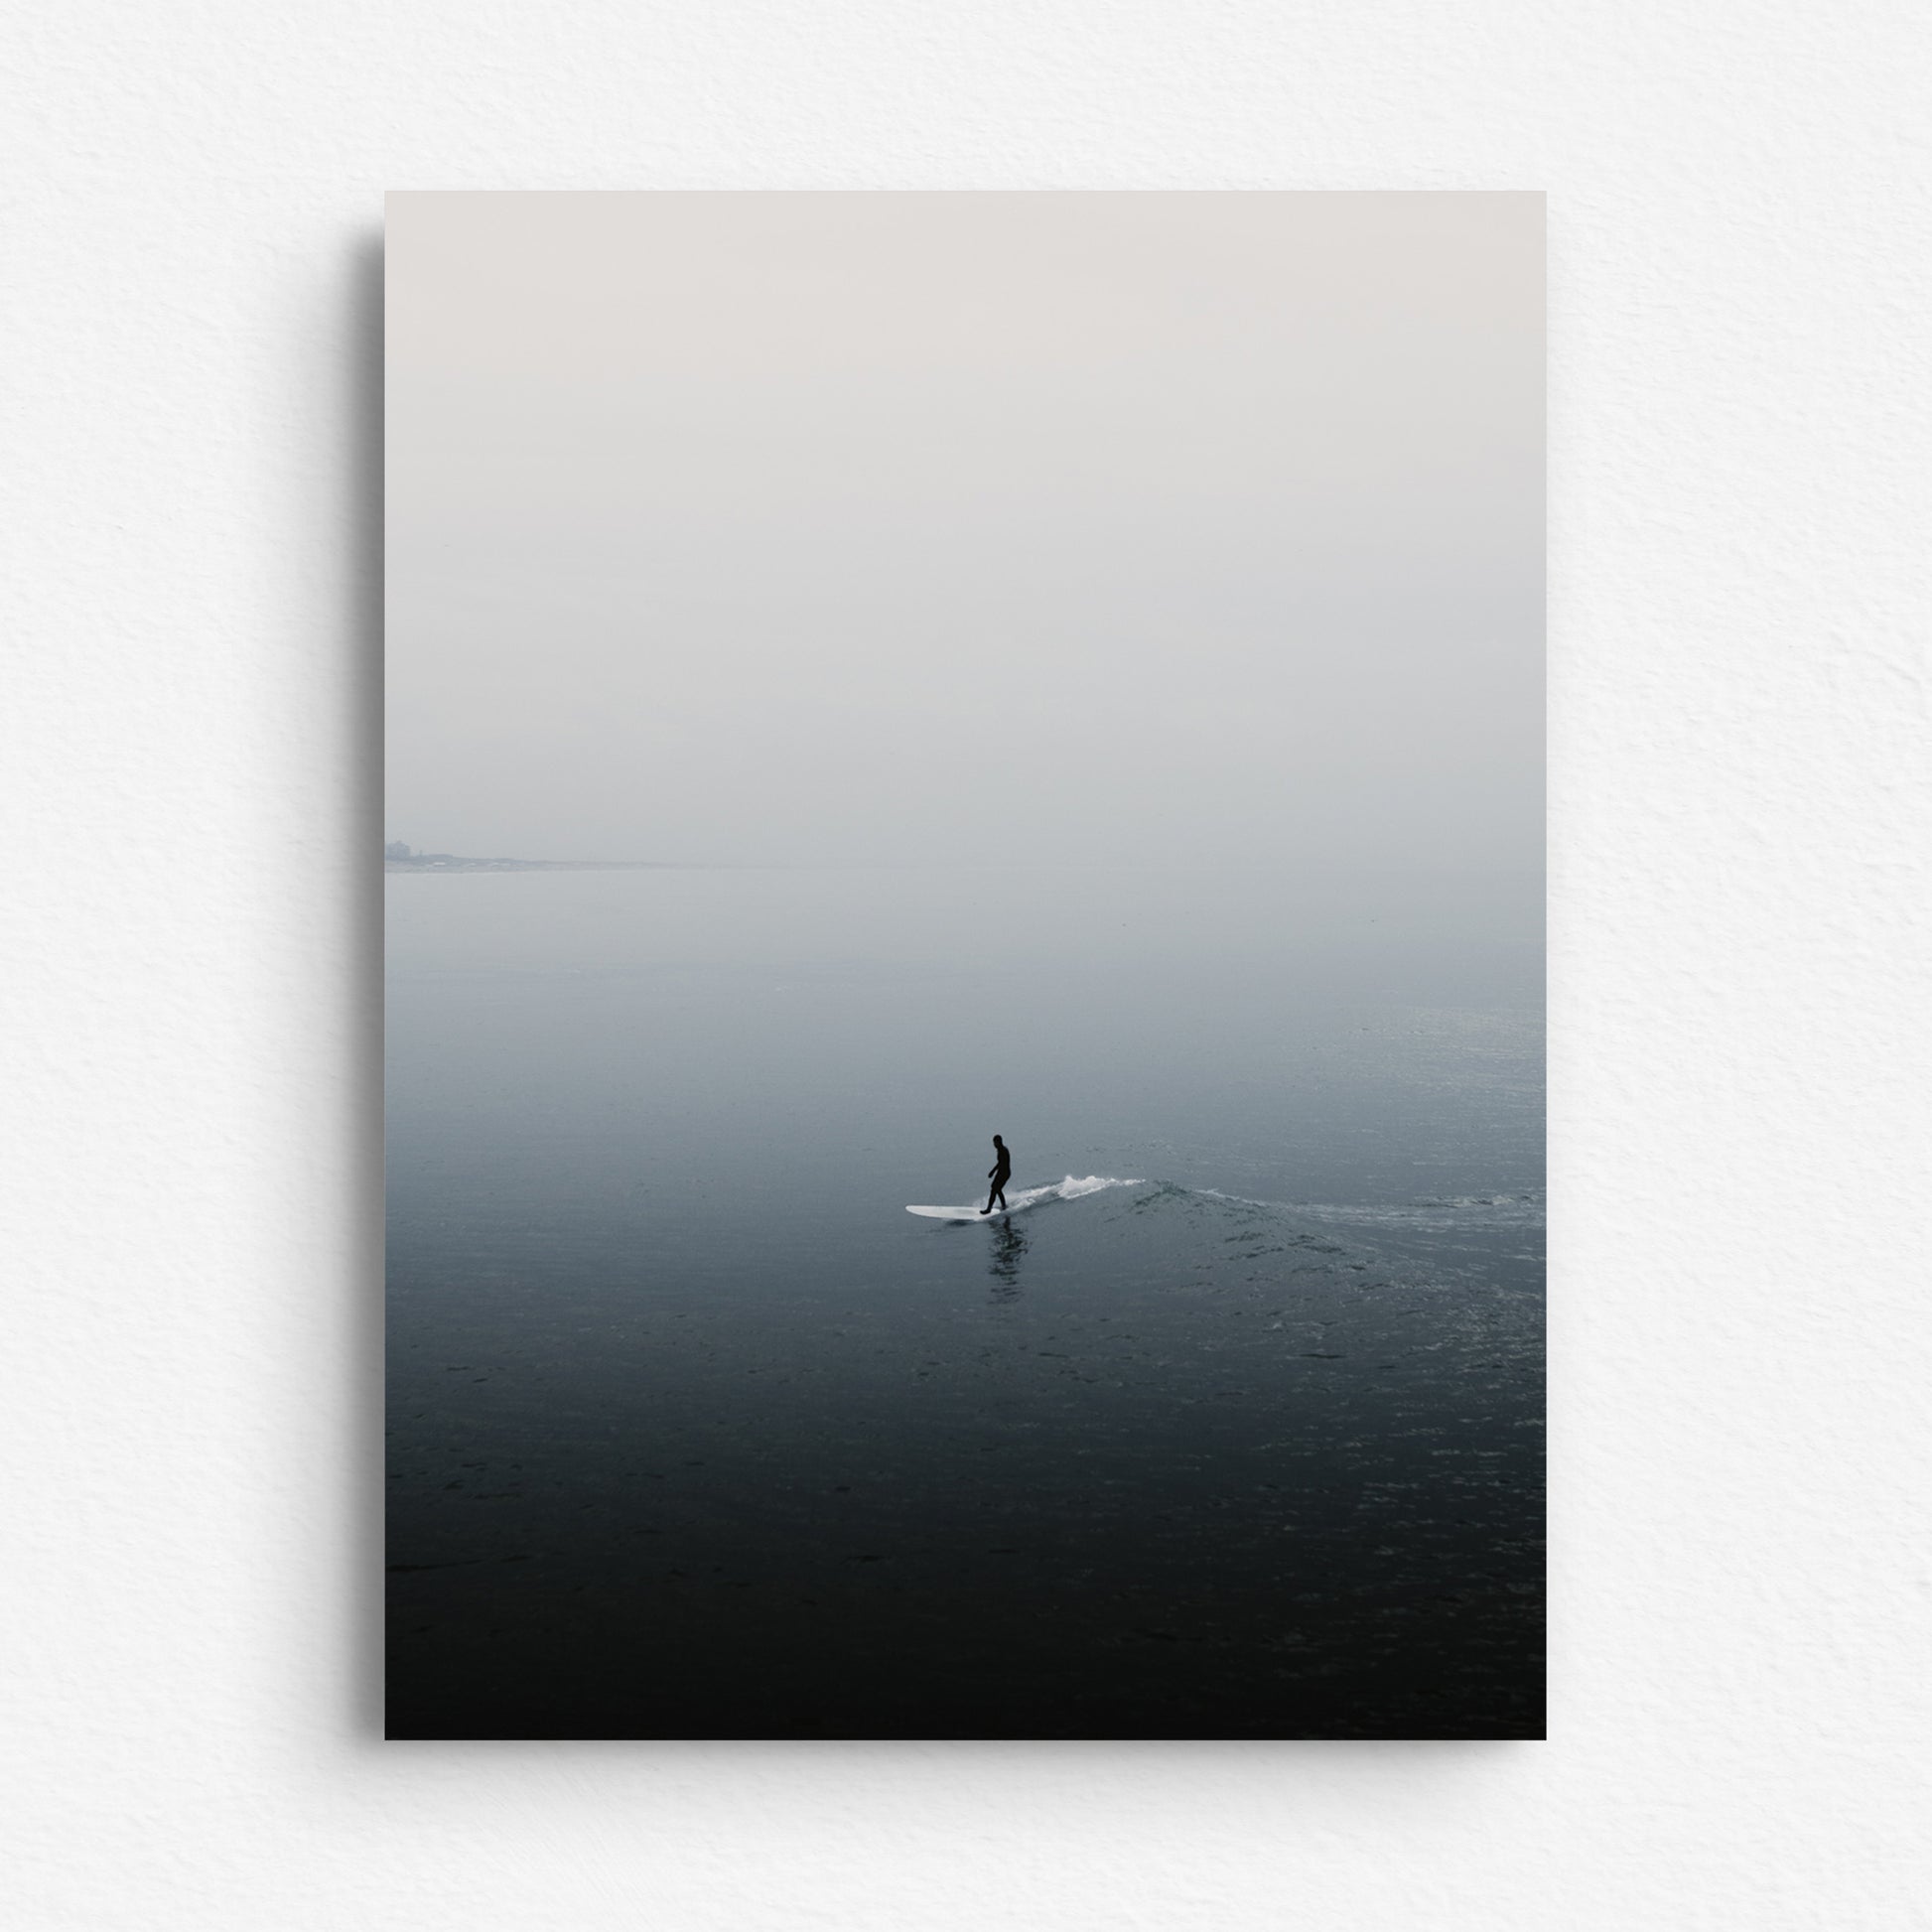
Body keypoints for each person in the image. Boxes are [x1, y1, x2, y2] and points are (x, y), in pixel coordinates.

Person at [981, 1134, 1012, 1215]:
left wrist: (992, 1171)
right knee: (996, 1189)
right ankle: (1003, 1206)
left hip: (1004, 1173)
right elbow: (1000, 1163)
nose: (994, 1145)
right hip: (1002, 1172)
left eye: (994, 1143)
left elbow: (1001, 1163)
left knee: (995, 1189)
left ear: (998, 1142)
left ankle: (989, 1209)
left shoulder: (1003, 1151)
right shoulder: (1001, 1150)